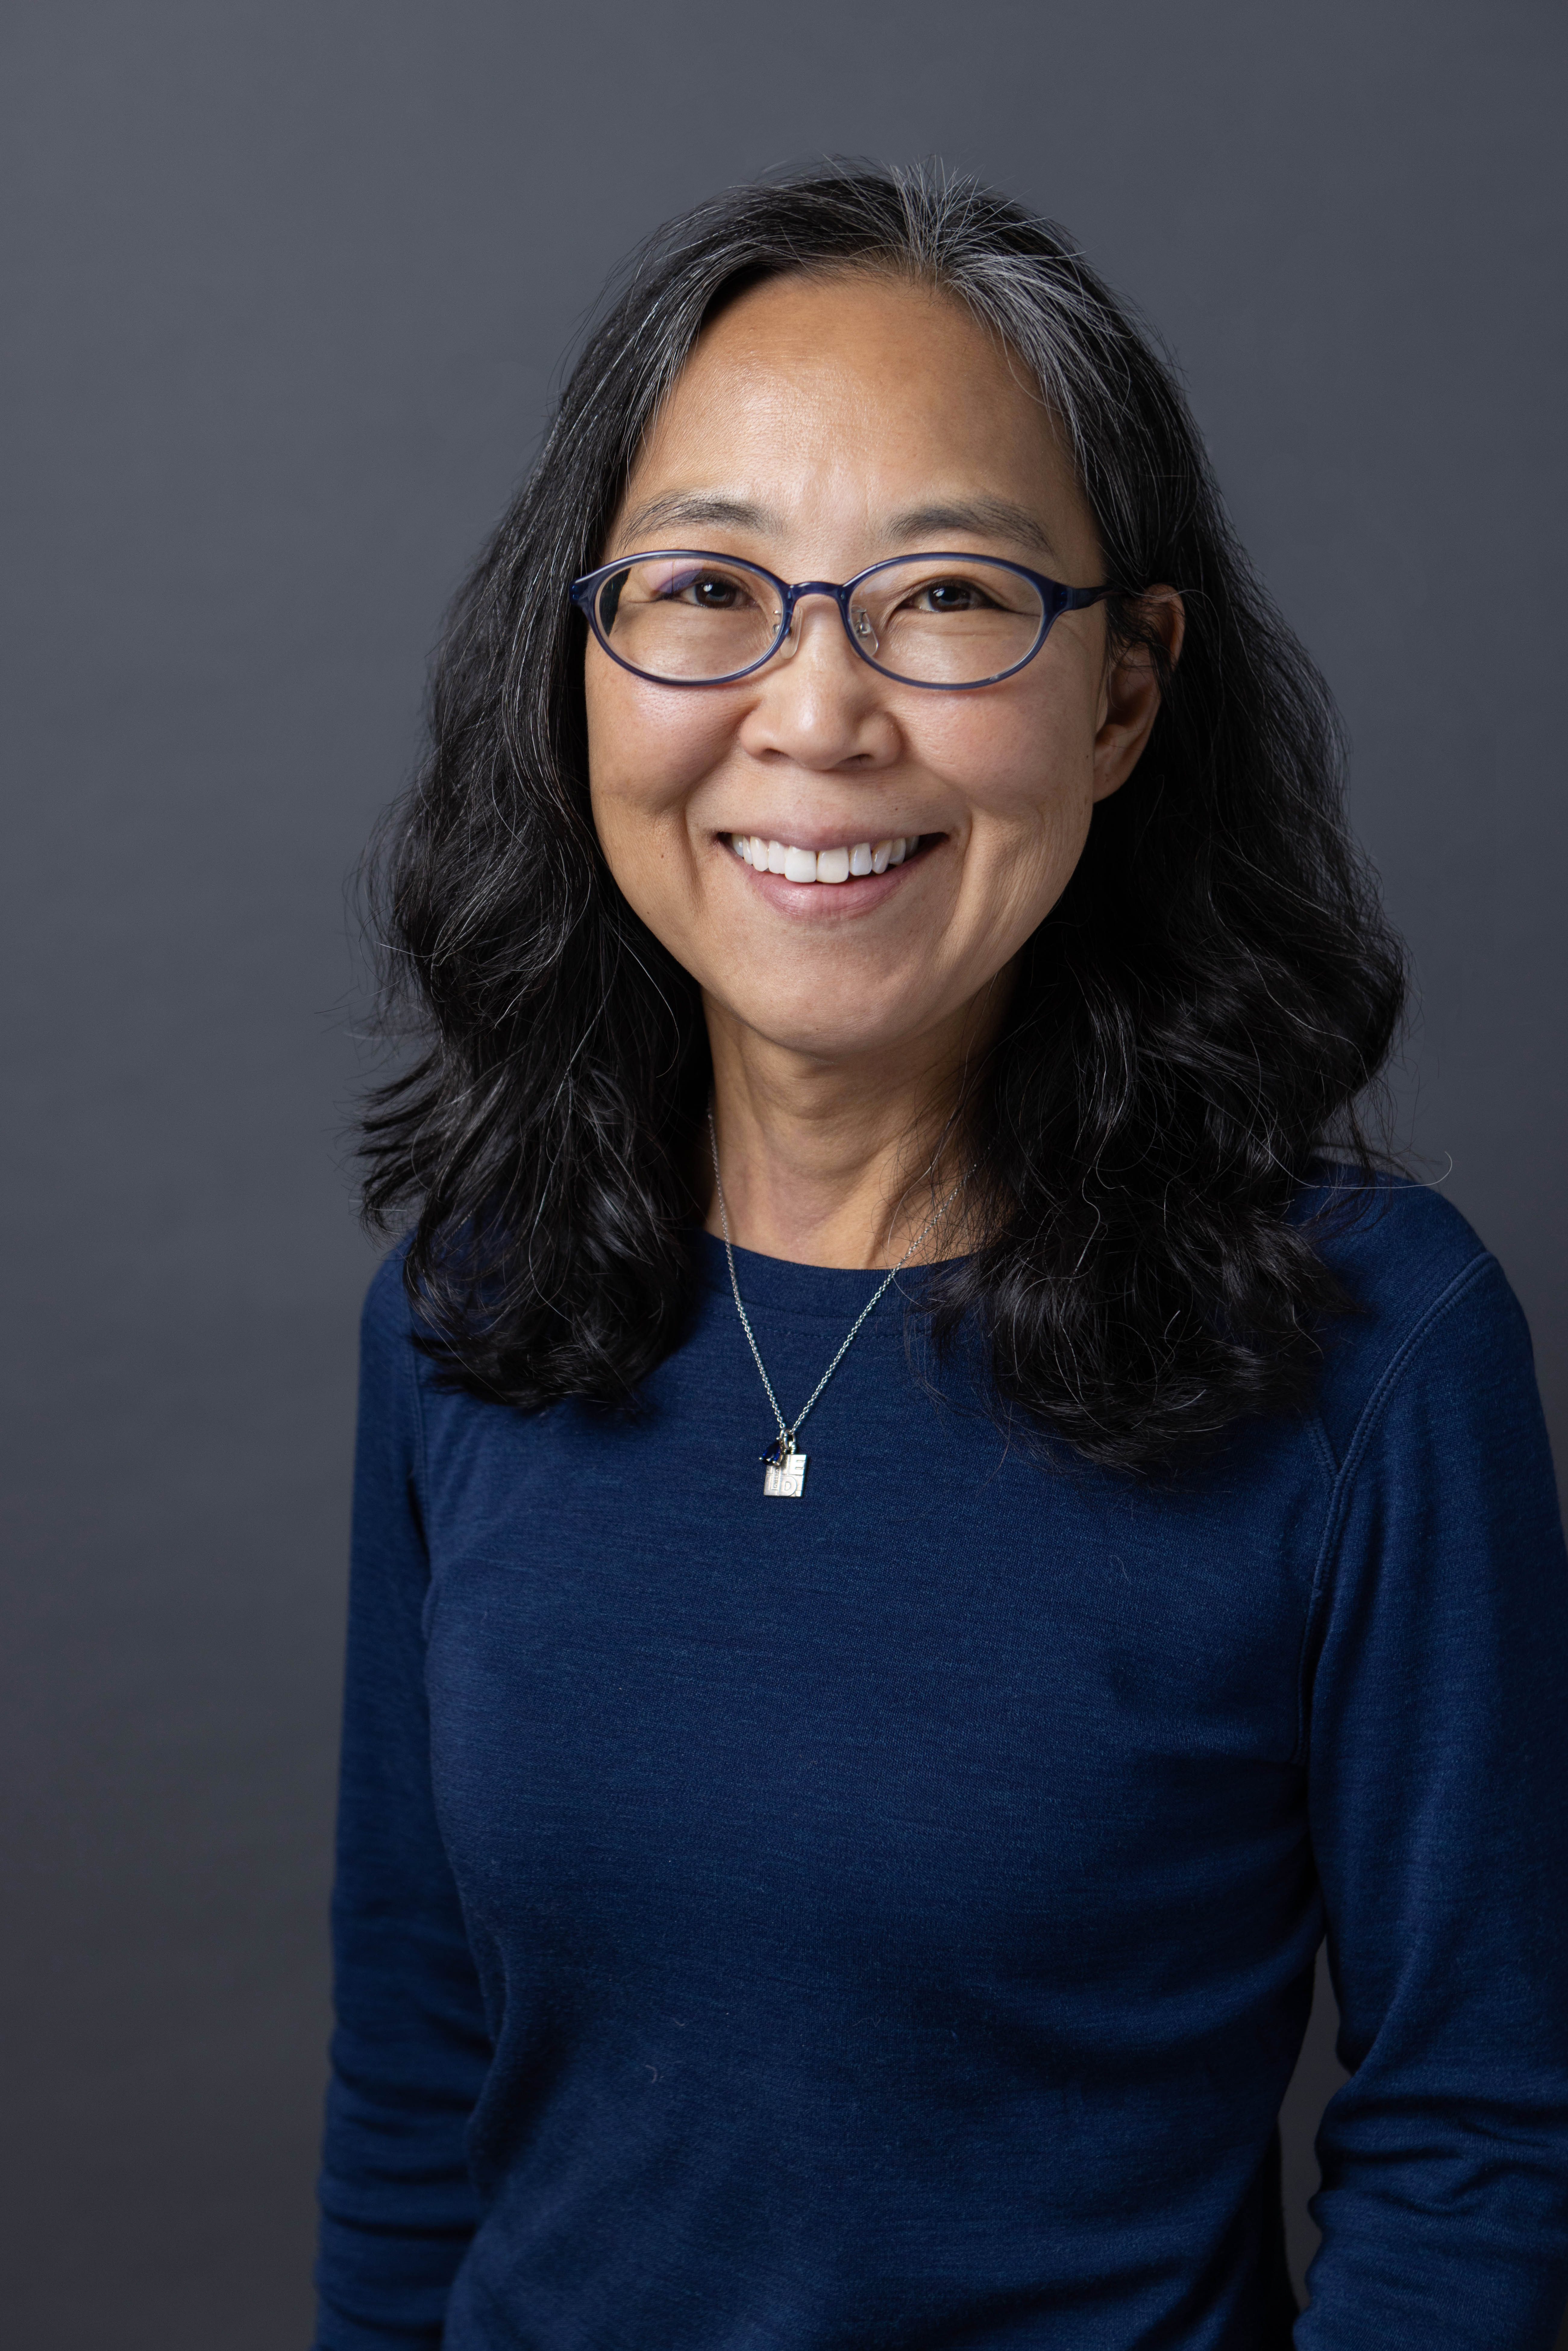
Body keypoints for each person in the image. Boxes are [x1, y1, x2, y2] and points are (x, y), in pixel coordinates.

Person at [312, 165, 1568, 2350]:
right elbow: (421, 2098)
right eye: (710, 587)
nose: (816, 718)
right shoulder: (468, 1313)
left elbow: (1482, 2139)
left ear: (1123, 692)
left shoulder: (1374, 1349)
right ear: (587, 660)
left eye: (950, 597)